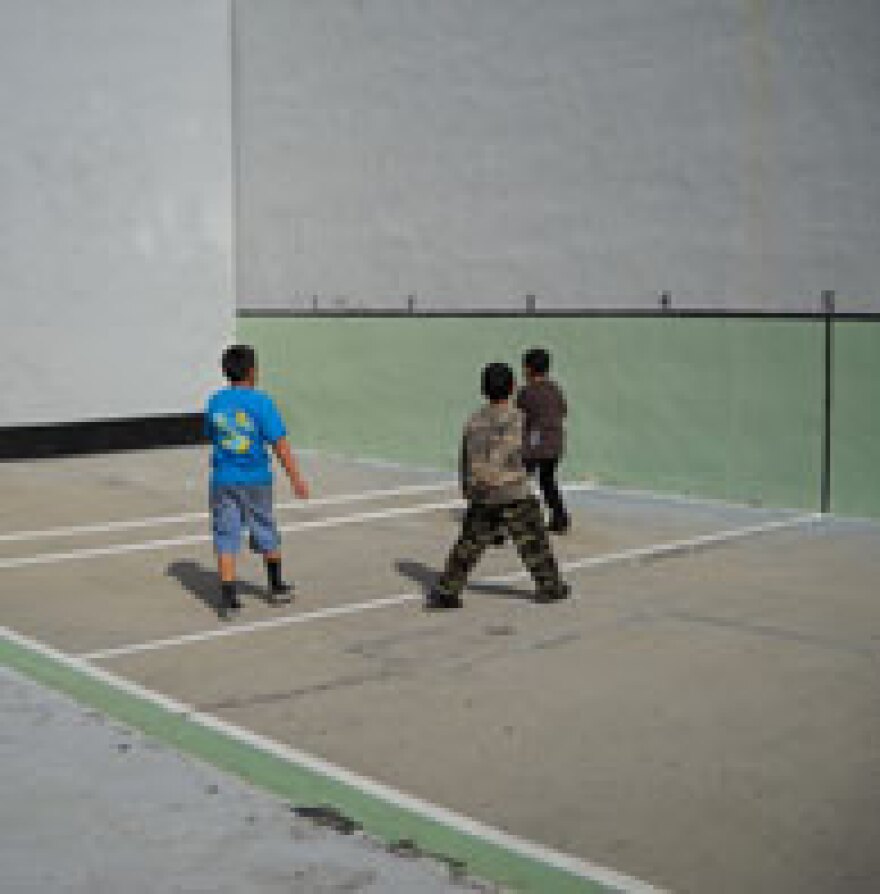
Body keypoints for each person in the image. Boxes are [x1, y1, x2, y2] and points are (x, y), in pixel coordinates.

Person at [426, 362, 570, 610]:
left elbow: (465, 459)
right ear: (513, 387)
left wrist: (468, 491)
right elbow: (531, 450)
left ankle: (447, 591)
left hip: (482, 491)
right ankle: (550, 586)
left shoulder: (473, 420)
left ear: (484, 390)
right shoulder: (520, 418)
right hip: (513, 490)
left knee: (468, 545)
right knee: (534, 542)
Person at [205, 344, 309, 620]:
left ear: (226, 372)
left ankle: (228, 599)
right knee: (264, 526)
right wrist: (295, 478)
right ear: (253, 371)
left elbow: (213, 436)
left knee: (225, 533)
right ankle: (276, 586)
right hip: (256, 480)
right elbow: (279, 443)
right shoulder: (262, 402)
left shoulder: (215, 402)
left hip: (223, 480)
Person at [517, 347, 570, 533]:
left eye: (524, 367)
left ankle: (514, 520)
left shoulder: (526, 392)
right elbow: (563, 411)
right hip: (555, 443)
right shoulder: (555, 389)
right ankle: (560, 518)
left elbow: (520, 418)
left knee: (519, 480)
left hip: (534, 445)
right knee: (547, 481)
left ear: (529, 369)